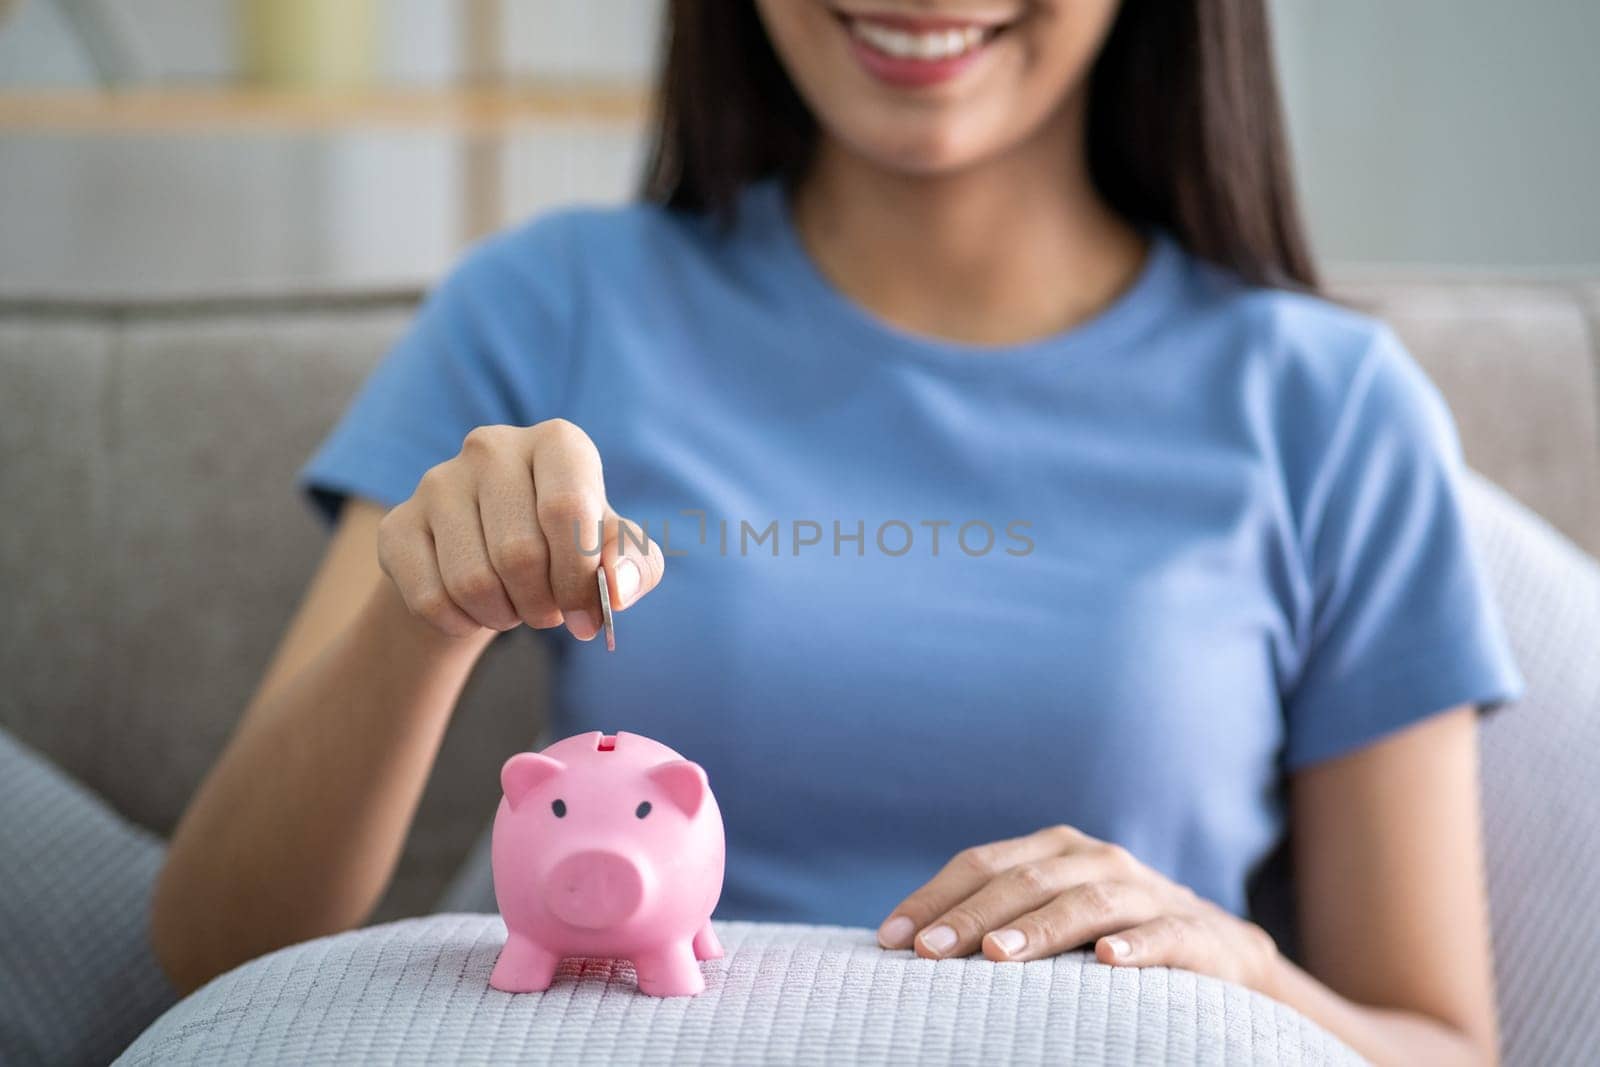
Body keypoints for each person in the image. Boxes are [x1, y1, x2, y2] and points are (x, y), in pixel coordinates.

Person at [152, 2, 1521, 1062]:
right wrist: (428, 617)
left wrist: (1247, 973)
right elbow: (218, 959)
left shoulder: (1330, 407)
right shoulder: (546, 310)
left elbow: (1442, 1048)